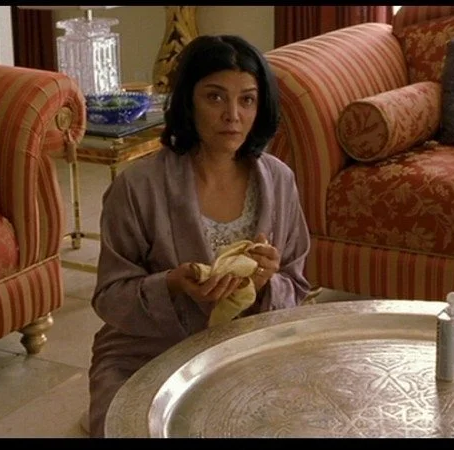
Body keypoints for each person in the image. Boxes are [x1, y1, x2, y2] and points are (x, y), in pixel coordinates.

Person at [88, 34, 312, 438]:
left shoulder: (279, 180)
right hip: (146, 350)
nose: (232, 115)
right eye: (215, 97)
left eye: (247, 100)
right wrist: (172, 284)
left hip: (248, 347)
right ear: (188, 102)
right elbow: (109, 296)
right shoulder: (137, 186)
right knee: (132, 429)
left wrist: (266, 283)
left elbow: (296, 285)